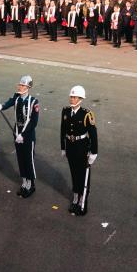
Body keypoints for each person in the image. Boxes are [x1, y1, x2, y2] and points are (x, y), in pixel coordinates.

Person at [0, 75, 40, 197]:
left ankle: (31, 184)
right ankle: (24, 181)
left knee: (28, 159)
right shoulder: (17, 97)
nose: (19, 87)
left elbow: (33, 122)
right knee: (20, 158)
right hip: (16, 132)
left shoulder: (34, 102)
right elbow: (10, 102)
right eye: (19, 85)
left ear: (28, 87)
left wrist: (23, 135)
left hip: (27, 136)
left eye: (22, 85)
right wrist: (2, 106)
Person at [60, 85, 98, 215]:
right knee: (73, 173)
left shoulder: (87, 114)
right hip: (70, 148)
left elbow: (93, 135)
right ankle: (75, 197)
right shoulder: (65, 111)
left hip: (82, 148)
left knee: (82, 175)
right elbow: (62, 130)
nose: (71, 99)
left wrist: (94, 152)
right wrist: (63, 147)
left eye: (74, 97)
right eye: (71, 96)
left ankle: (83, 200)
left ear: (80, 99)